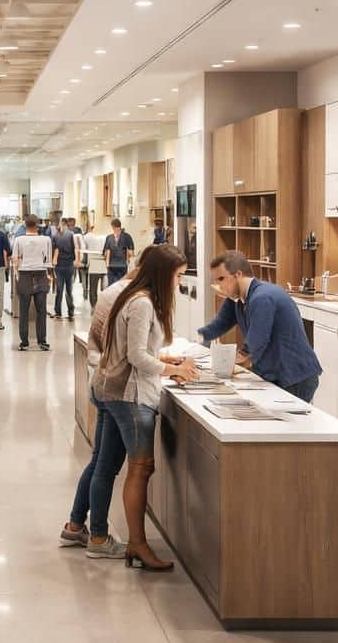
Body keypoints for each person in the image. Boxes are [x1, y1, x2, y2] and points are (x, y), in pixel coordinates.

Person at [91, 244, 199, 570]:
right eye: (178, 276)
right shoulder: (142, 304)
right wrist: (174, 370)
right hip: (131, 395)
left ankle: (98, 536)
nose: (179, 283)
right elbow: (137, 356)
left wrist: (165, 359)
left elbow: (131, 349)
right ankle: (137, 544)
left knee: (105, 464)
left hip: (116, 390)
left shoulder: (133, 297)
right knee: (140, 469)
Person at [61, 245, 162, 558]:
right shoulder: (133, 299)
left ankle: (77, 526)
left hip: (104, 384)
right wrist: (164, 364)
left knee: (101, 462)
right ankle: (99, 538)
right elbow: (127, 352)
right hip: (121, 389)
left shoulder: (117, 293)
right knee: (114, 466)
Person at [198, 250, 322, 401]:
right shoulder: (237, 299)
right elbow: (218, 326)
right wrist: (198, 340)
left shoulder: (262, 297)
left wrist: (231, 361)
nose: (218, 285)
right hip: (274, 373)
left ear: (238, 274)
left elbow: (257, 340)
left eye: (221, 279)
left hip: (294, 377)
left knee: (281, 423)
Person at [11, 215, 53, 351]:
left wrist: (17, 274)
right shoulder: (46, 240)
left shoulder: (19, 240)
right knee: (41, 310)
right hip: (41, 274)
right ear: (38, 225)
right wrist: (49, 276)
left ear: (25, 224)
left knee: (23, 310)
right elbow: (49, 260)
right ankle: (42, 341)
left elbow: (15, 259)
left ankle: (24, 342)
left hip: (24, 274)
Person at [50, 217, 78, 321]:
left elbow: (54, 251)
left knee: (59, 290)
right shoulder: (71, 234)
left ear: (61, 224)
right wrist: (76, 260)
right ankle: (71, 312)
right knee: (69, 290)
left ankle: (58, 312)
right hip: (69, 265)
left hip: (59, 266)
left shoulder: (55, 236)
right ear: (67, 224)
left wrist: (53, 263)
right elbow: (75, 248)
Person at [102, 217, 135, 287]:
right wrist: (128, 258)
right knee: (121, 286)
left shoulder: (109, 237)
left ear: (112, 226)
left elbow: (105, 253)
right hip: (122, 265)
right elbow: (131, 253)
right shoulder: (127, 237)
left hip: (111, 266)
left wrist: (106, 264)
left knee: (111, 286)